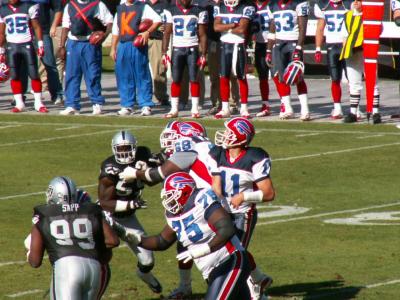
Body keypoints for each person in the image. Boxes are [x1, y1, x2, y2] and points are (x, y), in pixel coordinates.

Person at [119, 120, 212, 299]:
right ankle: (186, 287)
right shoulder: (203, 148)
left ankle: (245, 285)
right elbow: (169, 170)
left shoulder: (188, 147)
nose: (169, 143)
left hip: (204, 206)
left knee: (213, 259)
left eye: (173, 138)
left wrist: (136, 173)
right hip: (203, 201)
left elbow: (157, 176)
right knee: (182, 240)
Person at [123, 171, 252, 300]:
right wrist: (138, 240)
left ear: (185, 191)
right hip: (210, 271)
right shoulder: (176, 215)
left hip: (230, 260)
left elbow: (226, 229)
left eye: (172, 195)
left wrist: (199, 251)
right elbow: (162, 241)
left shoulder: (201, 200)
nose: (169, 200)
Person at [210, 117, 275, 300]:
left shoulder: (254, 157)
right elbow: (216, 184)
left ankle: (254, 289)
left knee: (235, 254)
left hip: (243, 213)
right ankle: (258, 280)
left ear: (241, 138)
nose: (225, 135)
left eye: (230, 132)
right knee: (231, 251)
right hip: (222, 212)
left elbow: (269, 193)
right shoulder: (218, 153)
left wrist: (244, 196)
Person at [25, 176, 119, 299]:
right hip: (94, 268)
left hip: (67, 268)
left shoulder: (44, 214)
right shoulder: (90, 210)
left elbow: (35, 261)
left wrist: (30, 253)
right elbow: (113, 241)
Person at [98, 130, 163, 294]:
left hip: (128, 218)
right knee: (99, 256)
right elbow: (104, 203)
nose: (124, 152)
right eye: (120, 149)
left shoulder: (143, 154)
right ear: (114, 149)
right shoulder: (109, 169)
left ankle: (144, 276)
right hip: (106, 217)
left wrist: (149, 169)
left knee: (147, 261)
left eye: (127, 148)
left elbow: (153, 181)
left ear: (135, 147)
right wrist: (130, 204)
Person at [59, 0, 113, 115]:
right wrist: (62, 46)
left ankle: (96, 103)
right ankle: (72, 105)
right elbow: (65, 26)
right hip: (73, 42)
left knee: (93, 74)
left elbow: (109, 22)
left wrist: (104, 35)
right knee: (71, 75)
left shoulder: (98, 4)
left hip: (90, 43)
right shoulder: (70, 5)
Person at [110, 0, 161, 116]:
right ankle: (127, 105)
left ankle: (146, 104)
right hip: (123, 44)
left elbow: (158, 20)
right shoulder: (120, 8)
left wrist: (147, 32)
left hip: (137, 43)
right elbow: (115, 30)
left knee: (142, 74)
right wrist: (113, 48)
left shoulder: (143, 7)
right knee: (123, 75)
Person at [162, 0, 208, 118]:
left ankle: (194, 109)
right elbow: (167, 33)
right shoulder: (170, 10)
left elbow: (202, 34)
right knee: (176, 79)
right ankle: (174, 109)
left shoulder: (199, 11)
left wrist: (204, 53)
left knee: (194, 79)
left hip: (193, 48)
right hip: (177, 48)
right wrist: (164, 52)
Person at [0, 0, 48, 113]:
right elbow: (1, 33)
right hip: (12, 46)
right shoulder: (3, 9)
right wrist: (1, 50)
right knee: (15, 75)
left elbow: (36, 26)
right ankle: (19, 103)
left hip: (27, 43)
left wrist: (40, 44)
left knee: (34, 74)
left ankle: (38, 103)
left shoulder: (29, 6)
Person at [267, 0, 311, 121]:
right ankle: (287, 108)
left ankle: (305, 109)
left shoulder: (299, 3)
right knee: (281, 77)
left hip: (293, 42)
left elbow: (303, 28)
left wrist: (299, 47)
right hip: (279, 44)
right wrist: (269, 50)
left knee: (298, 77)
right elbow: (272, 29)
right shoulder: (272, 5)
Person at [339, 0, 381, 124]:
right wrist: (346, 50)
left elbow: (378, 31)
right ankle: (353, 112)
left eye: (359, 0)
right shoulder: (347, 15)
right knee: (354, 83)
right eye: (355, 0)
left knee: (372, 81)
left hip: (367, 51)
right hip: (352, 52)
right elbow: (344, 35)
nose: (356, 2)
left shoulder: (370, 16)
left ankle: (375, 112)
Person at [213, 0, 256, 119]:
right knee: (224, 77)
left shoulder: (245, 7)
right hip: (224, 45)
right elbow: (216, 27)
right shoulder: (219, 7)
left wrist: (225, 28)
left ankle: (244, 108)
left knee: (241, 76)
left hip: (238, 44)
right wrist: (232, 26)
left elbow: (242, 29)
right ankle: (225, 108)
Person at [200, 0, 240, 116]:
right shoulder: (206, 5)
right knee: (214, 74)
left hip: (230, 40)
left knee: (231, 73)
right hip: (214, 41)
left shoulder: (229, 3)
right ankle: (216, 103)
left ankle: (233, 103)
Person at [314, 0, 351, 119]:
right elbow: (320, 28)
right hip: (331, 46)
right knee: (335, 78)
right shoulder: (323, 5)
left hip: (346, 45)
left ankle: (355, 109)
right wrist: (318, 48)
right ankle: (337, 108)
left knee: (352, 78)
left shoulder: (349, 4)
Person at [37, 0, 64, 105]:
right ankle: (19, 95)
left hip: (43, 31)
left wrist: (53, 26)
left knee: (49, 63)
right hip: (26, 32)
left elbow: (58, 9)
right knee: (22, 65)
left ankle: (57, 93)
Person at [147, 0, 170, 106]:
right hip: (142, 38)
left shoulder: (165, 4)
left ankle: (161, 96)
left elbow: (171, 21)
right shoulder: (143, 4)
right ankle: (144, 97)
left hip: (157, 39)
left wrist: (167, 27)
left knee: (158, 70)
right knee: (140, 71)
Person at [252, 0, 272, 117]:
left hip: (273, 43)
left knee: (277, 76)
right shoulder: (251, 5)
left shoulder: (272, 5)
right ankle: (265, 104)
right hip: (260, 44)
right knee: (262, 76)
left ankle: (285, 103)